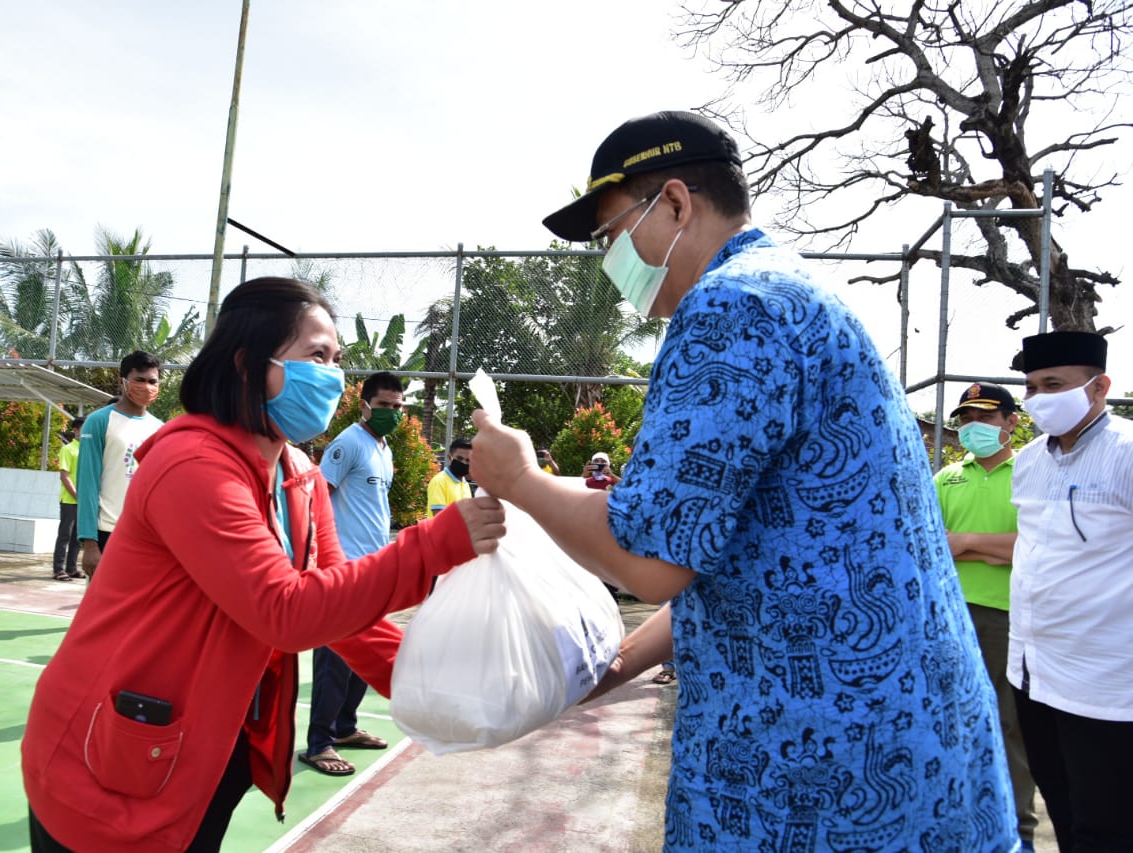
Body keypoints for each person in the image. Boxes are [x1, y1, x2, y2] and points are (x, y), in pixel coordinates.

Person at [471, 110, 1015, 849]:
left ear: (673, 204)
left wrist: (523, 479)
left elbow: (652, 562)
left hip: (814, 778)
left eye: (611, 236)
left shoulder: (731, 309)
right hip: (910, 754)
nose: (610, 261)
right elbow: (740, 560)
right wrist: (611, 663)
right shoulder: (788, 294)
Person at [21, 278, 505, 851]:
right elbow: (286, 610)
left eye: (338, 360)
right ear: (250, 364)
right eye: (316, 357)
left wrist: (434, 686)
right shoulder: (192, 463)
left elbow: (332, 604)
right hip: (117, 753)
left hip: (209, 748)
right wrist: (432, 544)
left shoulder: (298, 472)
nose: (333, 377)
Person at [1009, 330, 1133, 853]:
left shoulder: (1126, 452)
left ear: (1099, 386)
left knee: (1107, 825)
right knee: (1059, 801)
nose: (1039, 398)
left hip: (1104, 679)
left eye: (1054, 384)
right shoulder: (1029, 459)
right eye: (1032, 387)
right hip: (1032, 668)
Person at [935, 382, 1037, 850]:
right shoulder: (947, 479)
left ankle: (1016, 833)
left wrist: (965, 543)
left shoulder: (1033, 474)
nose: (973, 426)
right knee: (949, 722)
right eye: (966, 419)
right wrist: (991, 548)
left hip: (1008, 618)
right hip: (950, 617)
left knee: (1008, 727)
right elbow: (930, 546)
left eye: (986, 417)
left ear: (1012, 422)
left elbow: (1036, 549)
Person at [300, 370, 406, 776]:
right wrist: (322, 560)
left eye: (397, 407)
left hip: (374, 568)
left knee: (364, 655)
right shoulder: (349, 444)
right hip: (343, 568)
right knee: (336, 658)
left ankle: (345, 728)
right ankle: (319, 744)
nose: (391, 413)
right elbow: (318, 501)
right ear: (365, 405)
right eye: (383, 406)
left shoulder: (384, 448)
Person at [76, 350, 163, 577]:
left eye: (152, 381)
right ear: (122, 381)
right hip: (107, 534)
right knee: (105, 610)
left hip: (146, 537)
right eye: (139, 380)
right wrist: (90, 543)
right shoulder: (99, 421)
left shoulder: (160, 429)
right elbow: (87, 484)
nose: (146, 386)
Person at [51, 416, 86, 581]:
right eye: (83, 429)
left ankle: (71, 568)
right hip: (69, 501)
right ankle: (58, 570)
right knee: (64, 535)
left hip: (84, 501)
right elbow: (64, 476)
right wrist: (76, 495)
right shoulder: (68, 449)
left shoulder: (89, 450)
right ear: (76, 431)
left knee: (78, 537)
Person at [427, 436, 473, 517]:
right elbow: (439, 518)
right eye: (459, 458)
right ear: (450, 457)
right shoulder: (439, 481)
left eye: (468, 460)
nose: (464, 463)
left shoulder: (465, 485)